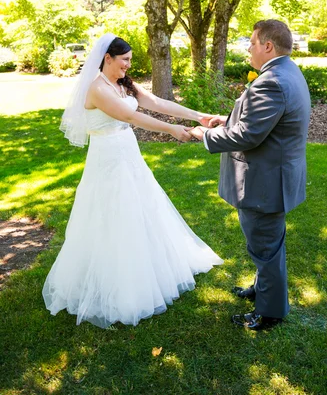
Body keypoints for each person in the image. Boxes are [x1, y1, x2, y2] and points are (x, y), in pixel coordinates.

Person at [43, 34, 223, 328]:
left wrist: (199, 116)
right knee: (114, 215)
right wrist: (172, 130)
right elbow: (133, 116)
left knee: (144, 208)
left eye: (130, 60)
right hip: (108, 160)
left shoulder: (122, 83)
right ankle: (121, 284)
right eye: (124, 60)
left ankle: (151, 268)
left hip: (128, 153)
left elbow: (157, 102)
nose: (128, 65)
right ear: (107, 58)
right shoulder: (97, 89)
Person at [190, 20, 311, 331]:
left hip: (265, 183)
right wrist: (224, 119)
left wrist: (202, 135)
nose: (248, 48)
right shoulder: (287, 71)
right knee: (267, 243)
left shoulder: (272, 81)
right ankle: (262, 290)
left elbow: (249, 135)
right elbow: (259, 119)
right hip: (275, 178)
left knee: (265, 247)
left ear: (267, 46)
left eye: (253, 42)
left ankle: (269, 312)